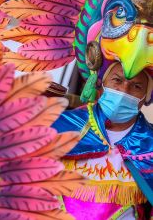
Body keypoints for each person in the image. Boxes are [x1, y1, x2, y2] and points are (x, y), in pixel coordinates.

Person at [53, 62, 153, 219]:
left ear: (146, 97)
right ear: (102, 83)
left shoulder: (150, 144)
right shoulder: (60, 124)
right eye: (117, 80)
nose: (123, 90)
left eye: (136, 86)